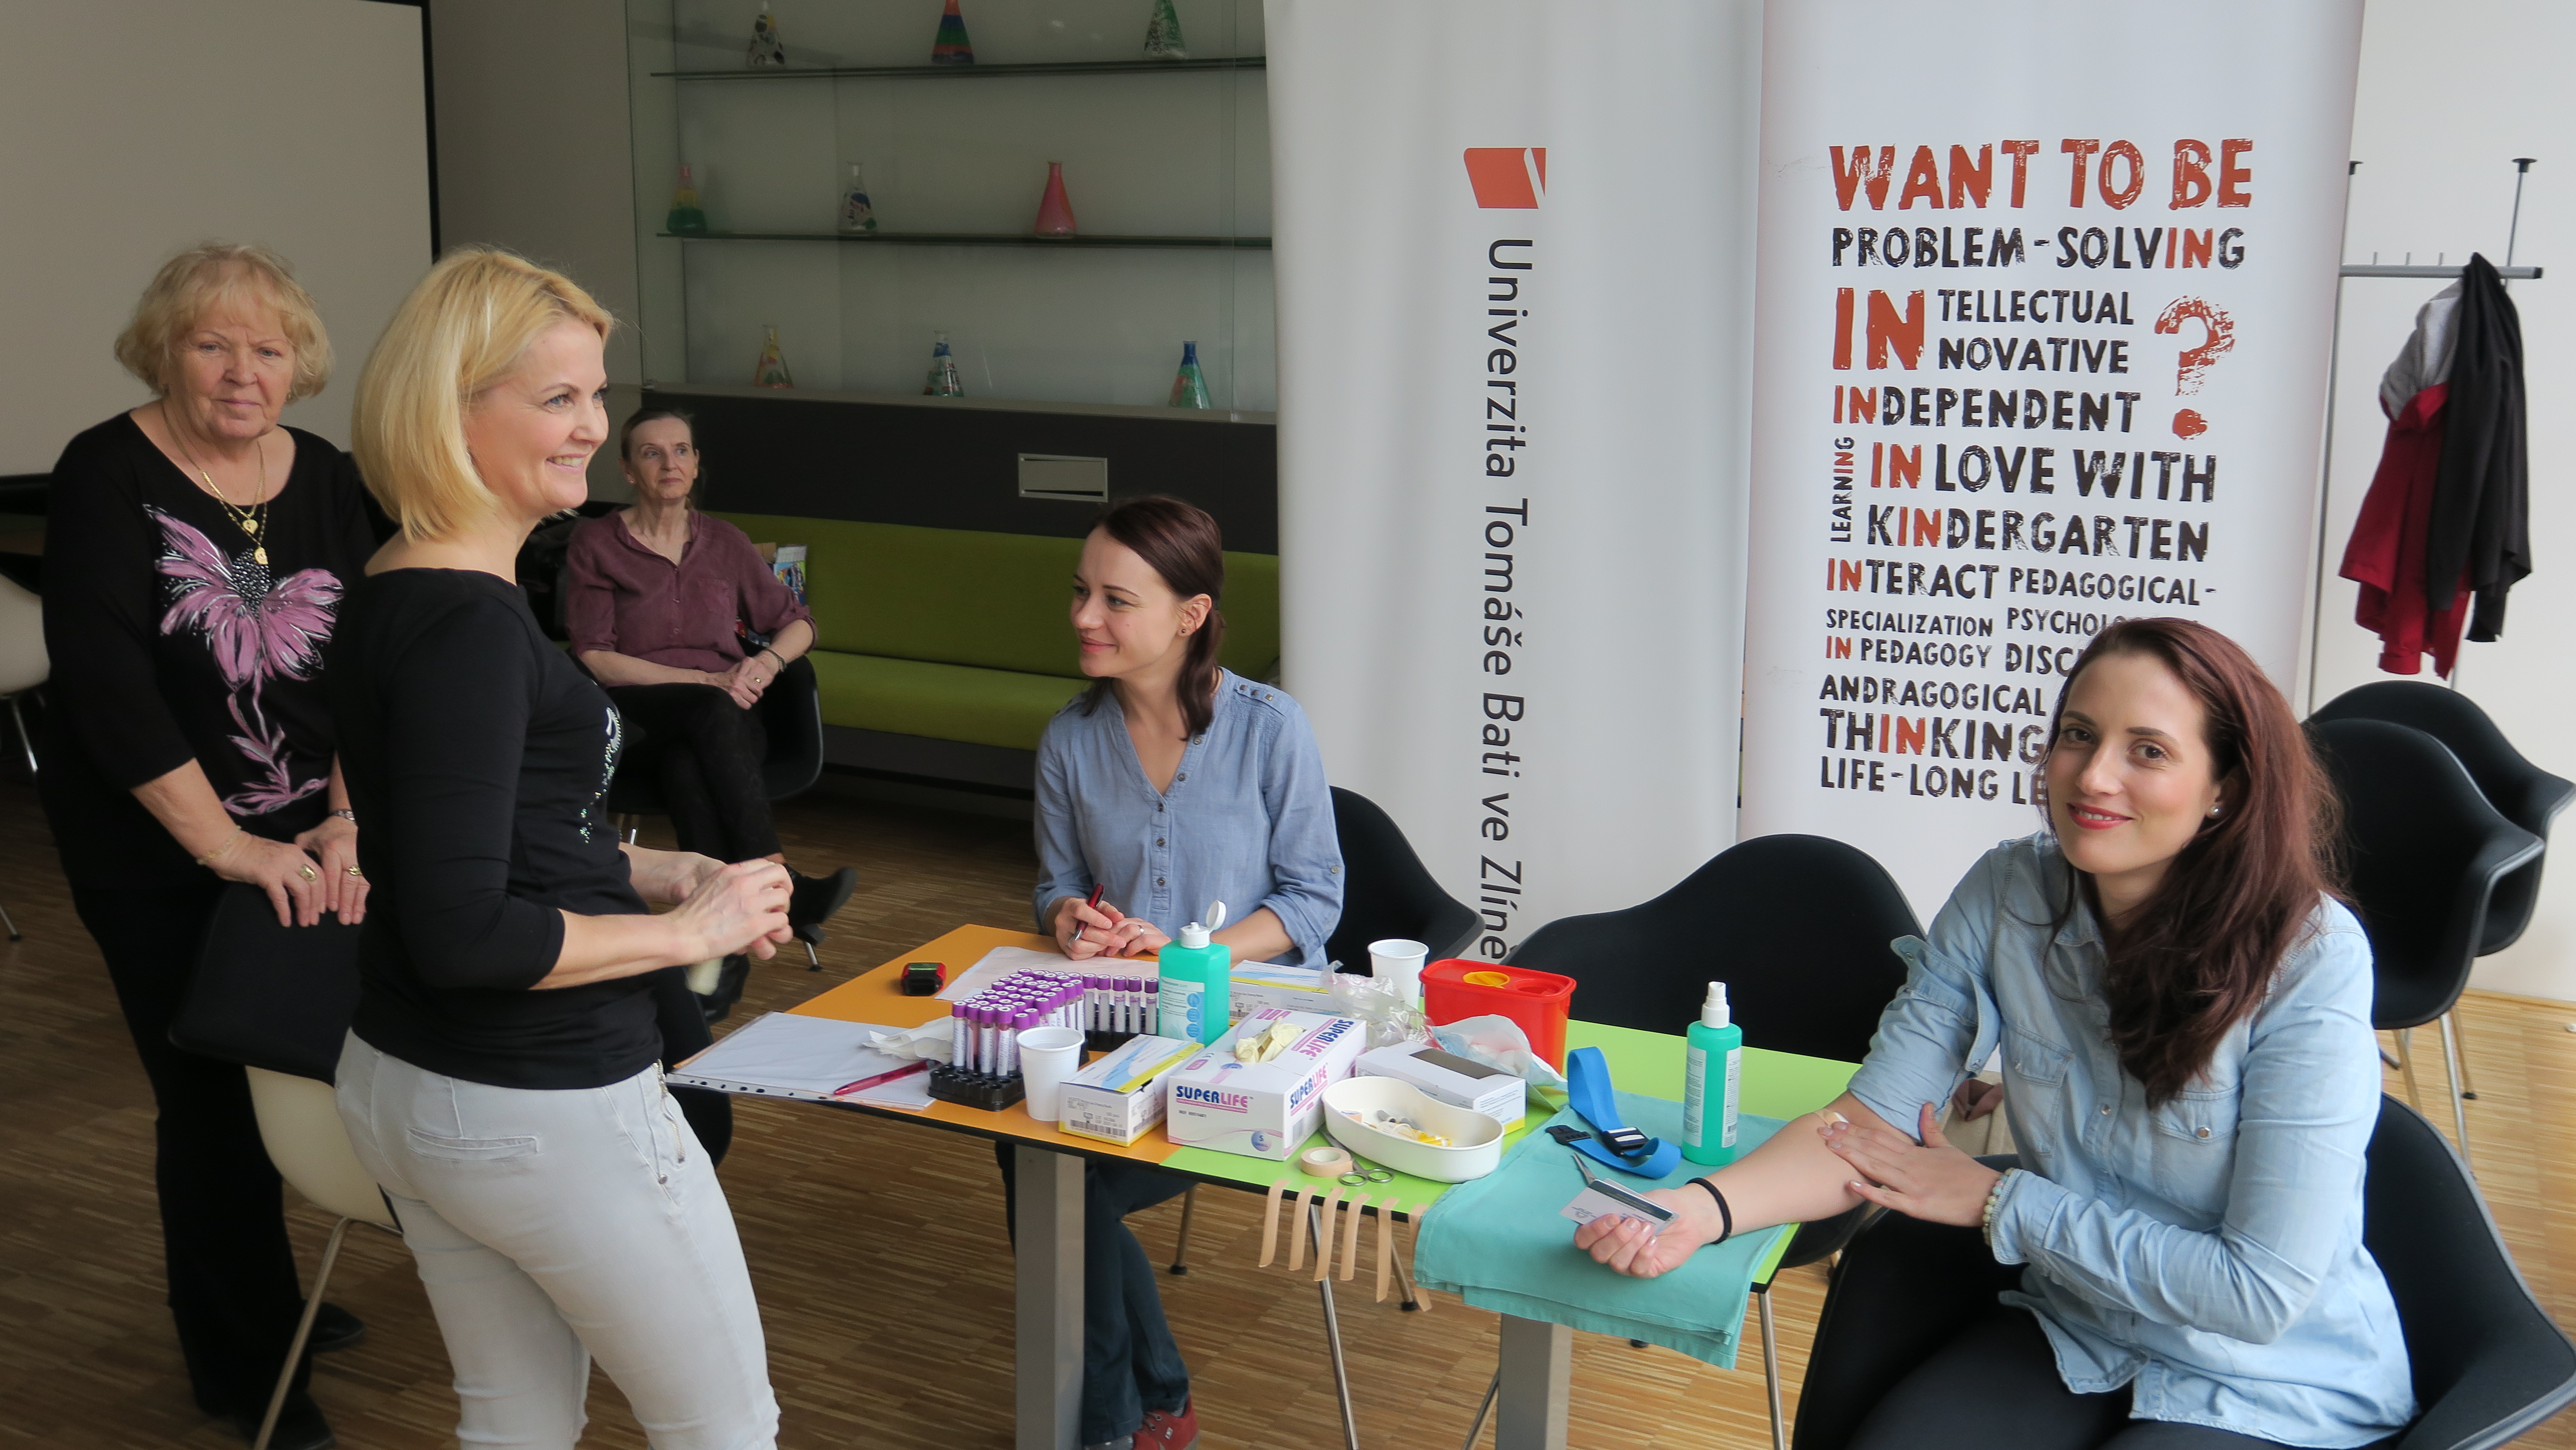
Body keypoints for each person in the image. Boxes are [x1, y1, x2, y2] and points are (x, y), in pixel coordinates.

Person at [1578, 618, 2412, 1450]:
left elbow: (2259, 1293)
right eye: (2078, 735)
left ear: (2224, 785)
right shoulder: (2010, 892)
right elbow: (1867, 1129)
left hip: (2269, 1382)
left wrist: (1996, 1199)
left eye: (2148, 751)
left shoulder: (2312, 959)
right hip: (2078, 1328)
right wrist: (1696, 1211)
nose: (2094, 775)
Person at [327, 247, 793, 1448]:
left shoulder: (397, 585)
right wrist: (692, 934)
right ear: (451, 411)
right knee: (726, 1431)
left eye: (595, 395)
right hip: (537, 1101)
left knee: (518, 1425)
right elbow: (467, 931)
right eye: (557, 399)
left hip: (412, 1085)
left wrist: (662, 871)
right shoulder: (469, 629)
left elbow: (483, 838)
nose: (593, 428)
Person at [39, 242, 378, 1450]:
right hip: (162, 849)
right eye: (212, 344)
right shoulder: (104, 474)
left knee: (313, 1071)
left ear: (300, 363)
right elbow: (108, 691)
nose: (243, 372)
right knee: (214, 1099)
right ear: (164, 352)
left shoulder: (325, 474)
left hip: (314, 832)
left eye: (267, 348)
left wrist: (347, 813)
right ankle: (242, 1363)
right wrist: (227, 848)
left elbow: (366, 664)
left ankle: (265, 1299)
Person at [1003, 495, 1344, 1450]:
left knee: (1066, 1179)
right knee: (1030, 1145)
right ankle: (1150, 1399)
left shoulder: (1271, 728)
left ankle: (1119, 1414)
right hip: (1125, 1021)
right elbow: (1057, 883)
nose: (1084, 616)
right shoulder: (1070, 739)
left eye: (1116, 600)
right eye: (1081, 592)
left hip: (1255, 1031)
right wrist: (1067, 917)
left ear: (1191, 615)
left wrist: (1192, 955)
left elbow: (1315, 902)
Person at [564, 408, 855, 944]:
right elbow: (594, 655)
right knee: (708, 710)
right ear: (628, 470)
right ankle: (781, 884)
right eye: (651, 453)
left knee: (687, 765)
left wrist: (767, 663)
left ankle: (721, 944)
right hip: (639, 716)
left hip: (724, 724)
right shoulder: (597, 544)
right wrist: (706, 682)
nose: (669, 463)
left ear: (696, 464)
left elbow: (799, 624)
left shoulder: (725, 541)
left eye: (681, 451)